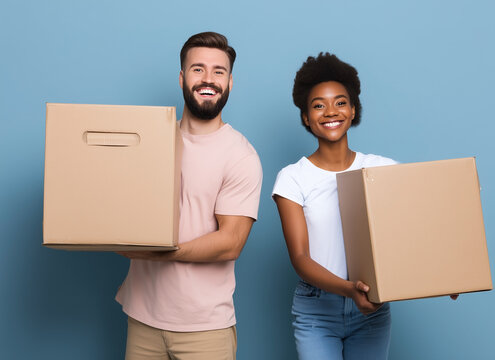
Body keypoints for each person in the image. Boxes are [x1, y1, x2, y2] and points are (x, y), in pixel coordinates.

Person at [116, 32, 263, 360]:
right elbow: (123, 208)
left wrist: (159, 254)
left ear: (230, 82)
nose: (208, 79)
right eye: (198, 69)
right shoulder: (150, 141)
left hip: (205, 328)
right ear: (183, 78)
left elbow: (231, 242)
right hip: (142, 317)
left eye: (218, 71)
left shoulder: (240, 155)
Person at [272, 53, 396, 360]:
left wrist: (446, 276)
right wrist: (348, 289)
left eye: (340, 102)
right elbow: (300, 258)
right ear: (306, 117)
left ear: (353, 110)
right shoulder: (292, 178)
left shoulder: (381, 170)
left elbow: (421, 224)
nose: (330, 112)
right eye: (318, 105)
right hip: (317, 310)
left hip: (372, 309)